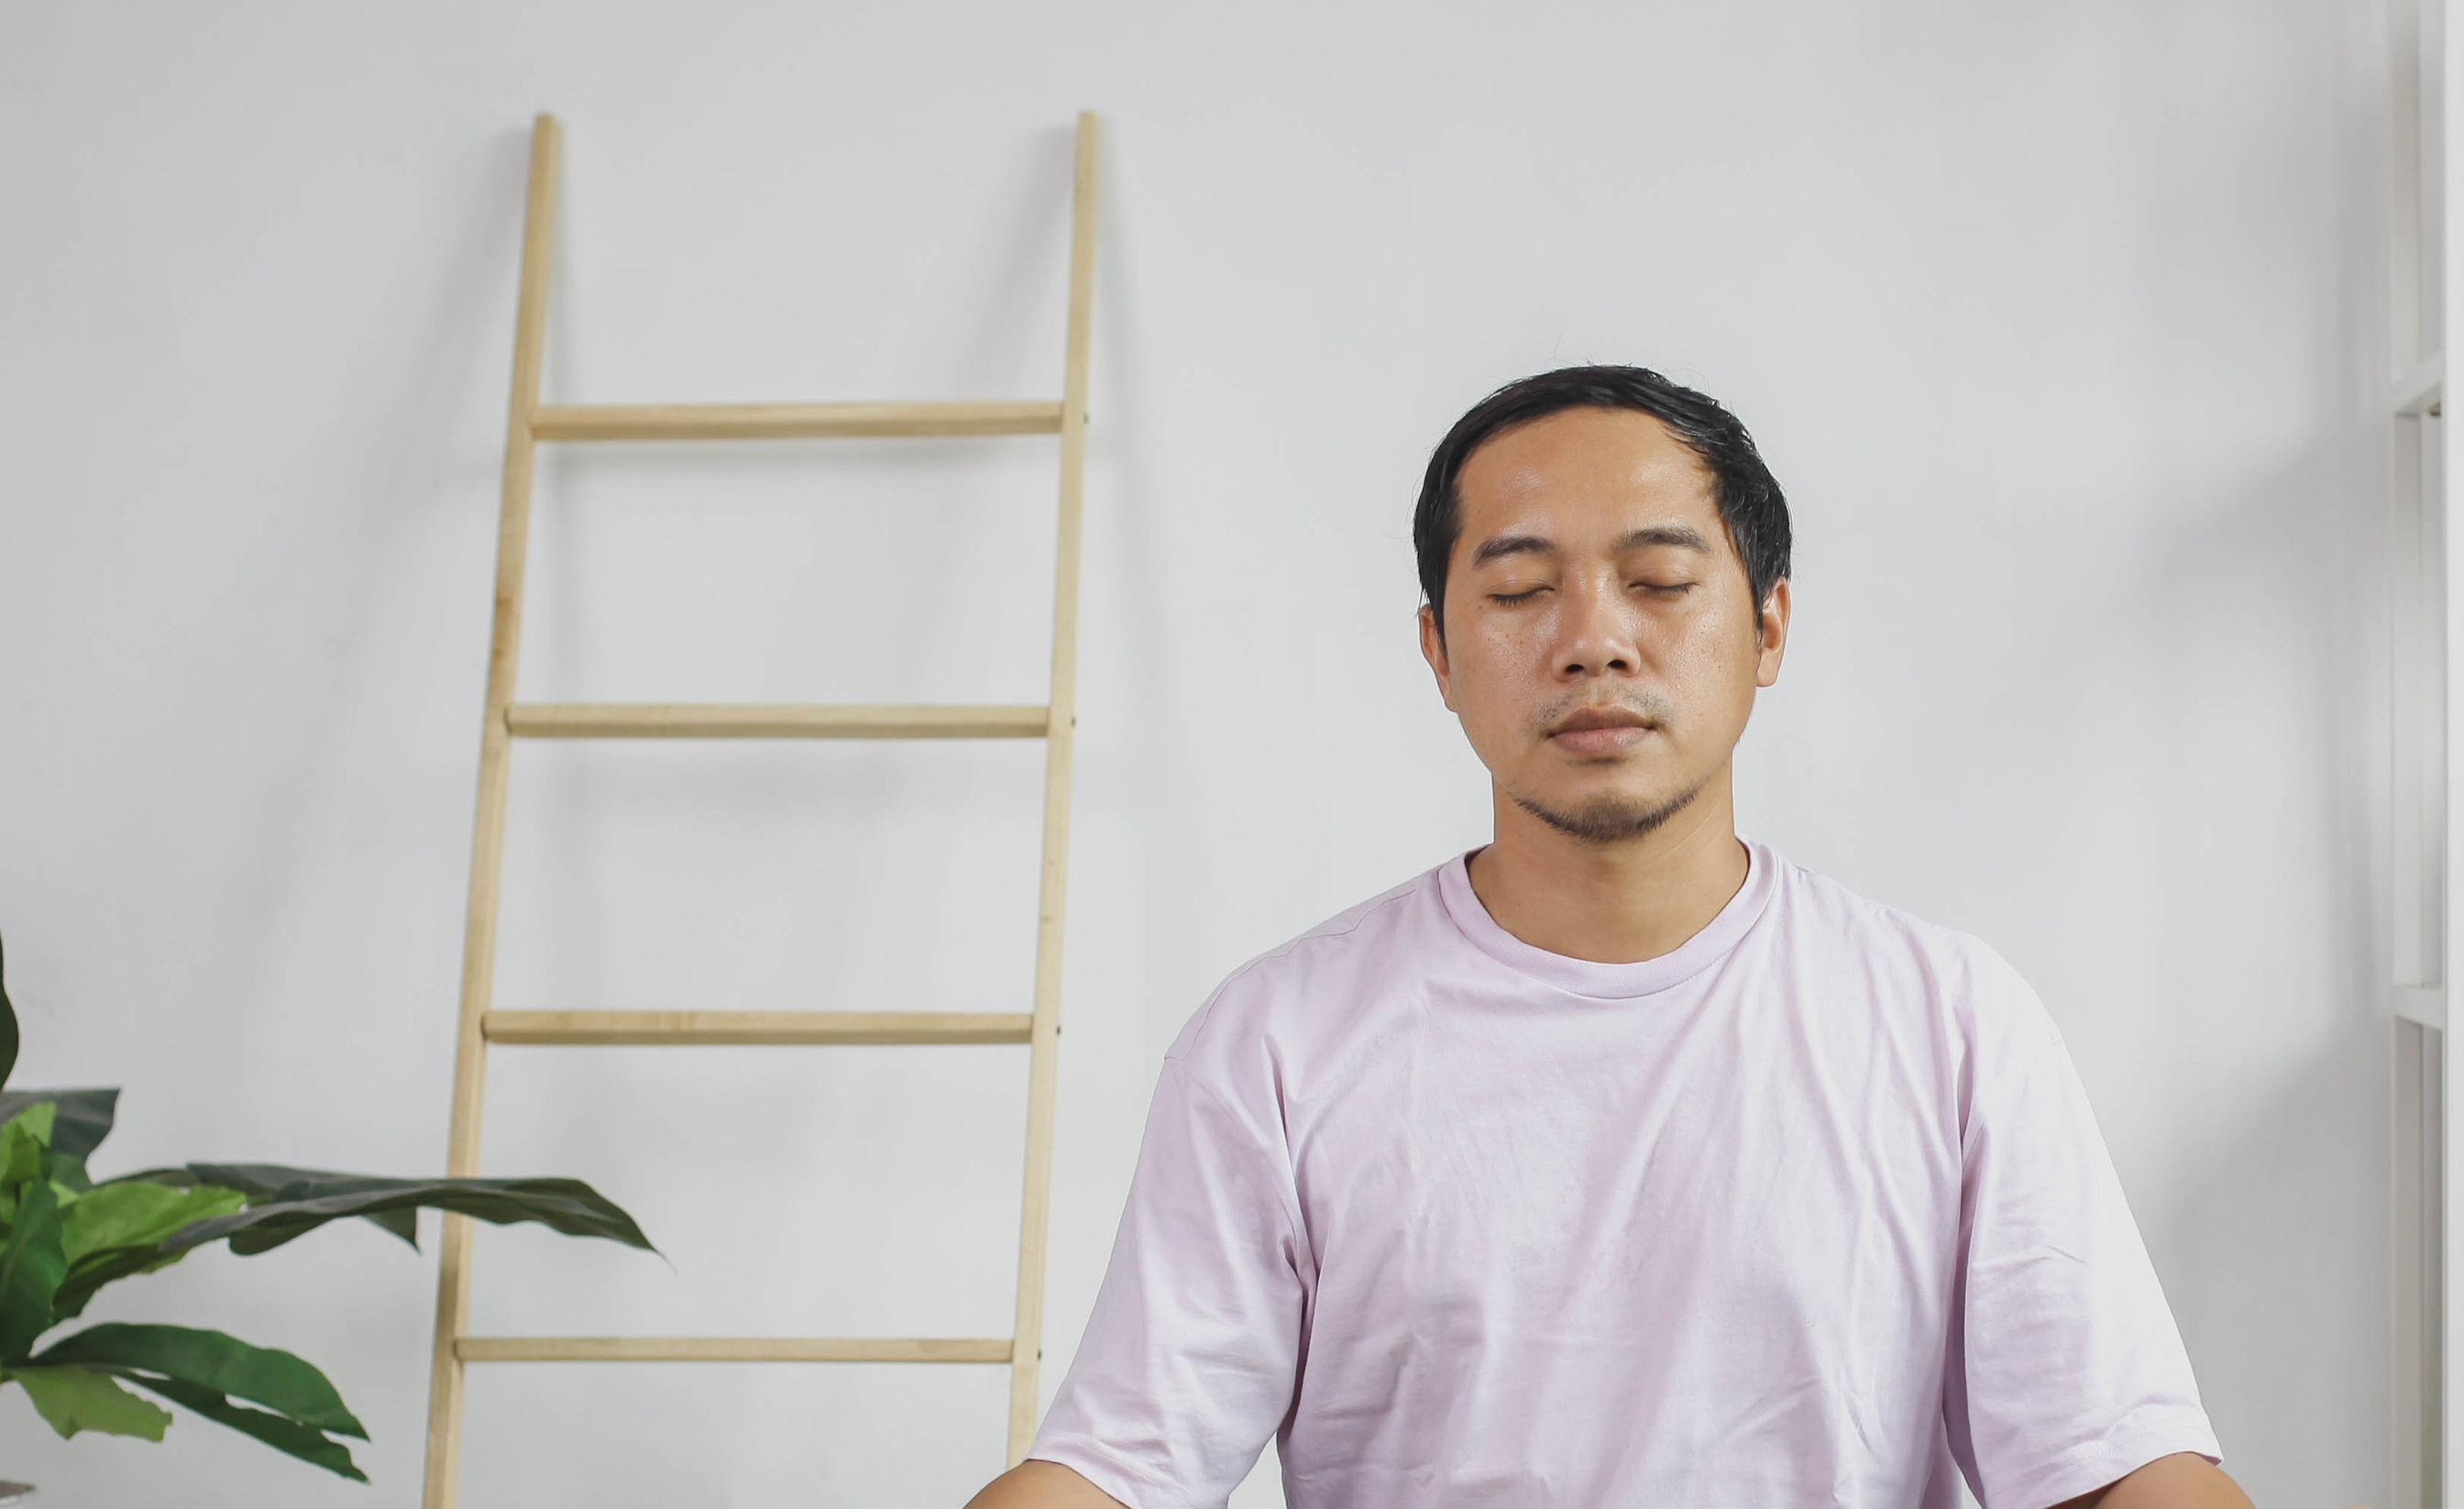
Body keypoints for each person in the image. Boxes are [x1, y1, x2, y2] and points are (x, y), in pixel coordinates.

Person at [963, 368, 2250, 1509]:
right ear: (1439, 652)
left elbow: (2112, 1462)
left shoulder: (1950, 1020)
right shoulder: (1279, 1042)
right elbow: (1124, 1466)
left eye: (1661, 583)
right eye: (1522, 590)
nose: (1593, 641)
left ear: (1768, 629)